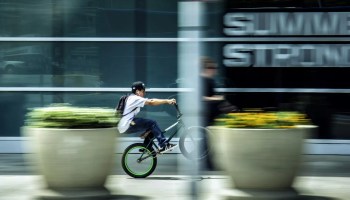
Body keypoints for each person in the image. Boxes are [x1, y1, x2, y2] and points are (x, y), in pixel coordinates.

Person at [117, 81, 178, 153]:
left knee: (151, 127)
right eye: (143, 91)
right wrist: (167, 101)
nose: (144, 93)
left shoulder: (131, 98)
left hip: (124, 125)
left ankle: (146, 147)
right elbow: (151, 102)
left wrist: (147, 131)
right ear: (137, 91)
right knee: (152, 123)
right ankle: (164, 144)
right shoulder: (134, 98)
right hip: (126, 125)